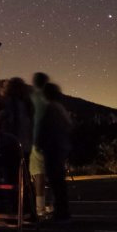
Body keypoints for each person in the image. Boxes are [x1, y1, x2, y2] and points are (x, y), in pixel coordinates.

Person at [36, 82, 73, 221]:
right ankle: (62, 210)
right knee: (58, 182)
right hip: (61, 147)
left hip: (53, 148)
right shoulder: (60, 108)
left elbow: (45, 128)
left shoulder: (50, 108)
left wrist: (39, 143)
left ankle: (61, 212)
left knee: (56, 181)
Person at [29, 71, 50, 215]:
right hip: (47, 137)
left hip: (35, 137)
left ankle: (39, 206)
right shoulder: (48, 99)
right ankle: (44, 204)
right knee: (43, 172)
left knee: (38, 172)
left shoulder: (32, 98)